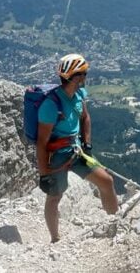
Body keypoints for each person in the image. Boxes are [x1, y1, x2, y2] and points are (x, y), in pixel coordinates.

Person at [37, 53, 118, 243]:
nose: (86, 77)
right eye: (83, 73)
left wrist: (87, 144)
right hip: (56, 157)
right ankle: (55, 240)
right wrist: (43, 174)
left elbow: (85, 118)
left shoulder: (79, 95)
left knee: (106, 182)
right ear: (75, 76)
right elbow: (41, 143)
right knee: (54, 197)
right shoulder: (51, 105)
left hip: (76, 150)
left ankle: (116, 224)